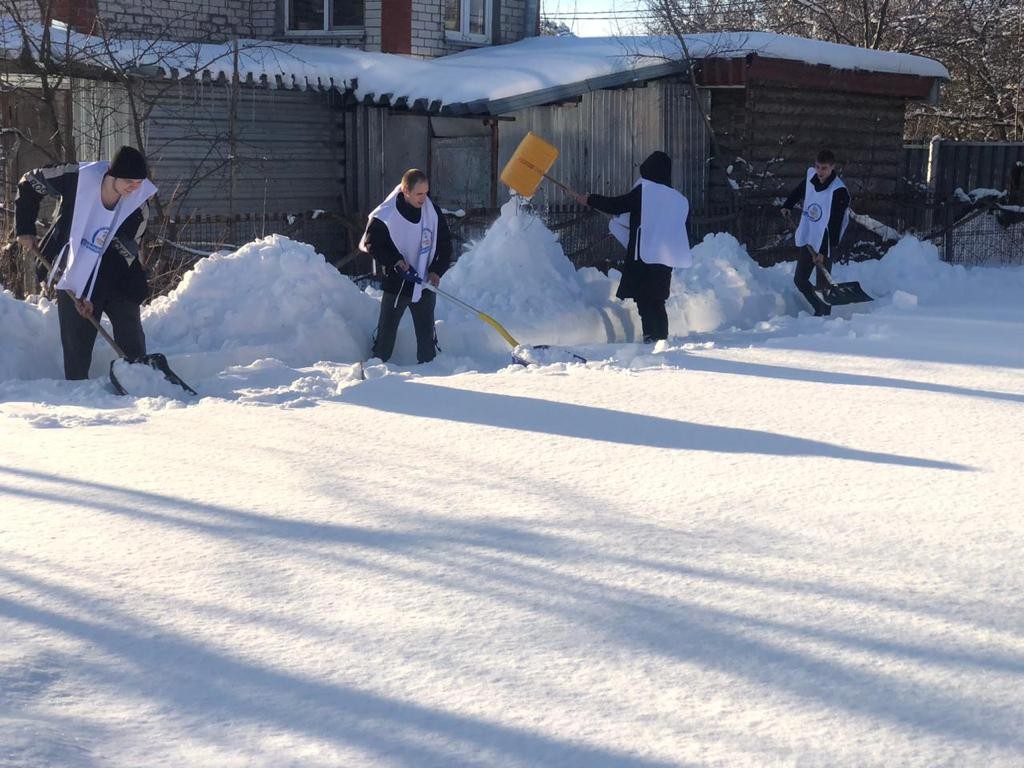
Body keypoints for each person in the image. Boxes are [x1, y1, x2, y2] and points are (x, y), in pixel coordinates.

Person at [15, 145, 157, 379]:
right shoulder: (77, 177)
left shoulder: (138, 206)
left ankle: (139, 379)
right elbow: (29, 182)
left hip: (117, 274)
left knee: (130, 332)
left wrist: (92, 294)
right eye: (129, 181)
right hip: (72, 270)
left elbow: (122, 255)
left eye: (139, 182)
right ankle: (78, 390)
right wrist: (25, 228)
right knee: (76, 345)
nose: (134, 187)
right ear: (113, 174)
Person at [576, 151, 692, 343]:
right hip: (665, 258)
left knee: (645, 299)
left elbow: (617, 205)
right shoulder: (678, 199)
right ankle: (660, 339)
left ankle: (652, 339)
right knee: (657, 300)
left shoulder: (646, 192)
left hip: (643, 255)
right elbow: (680, 229)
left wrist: (590, 199)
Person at [359, 168, 452, 363]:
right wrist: (395, 261)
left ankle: (430, 370)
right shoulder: (386, 214)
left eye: (426, 193)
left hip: (424, 283)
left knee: (427, 338)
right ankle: (377, 368)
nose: (424, 198)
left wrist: (436, 270)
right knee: (386, 334)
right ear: (405, 191)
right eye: (419, 194)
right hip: (397, 283)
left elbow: (445, 244)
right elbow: (372, 243)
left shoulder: (432, 212)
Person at [781, 149, 851, 317]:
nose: (820, 171)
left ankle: (824, 320)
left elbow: (835, 224)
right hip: (810, 236)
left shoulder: (838, 191)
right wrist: (788, 205)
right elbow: (800, 190)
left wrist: (823, 252)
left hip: (827, 241)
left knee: (823, 286)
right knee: (800, 279)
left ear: (832, 167)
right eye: (818, 166)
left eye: (824, 168)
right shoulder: (812, 177)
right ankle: (818, 309)